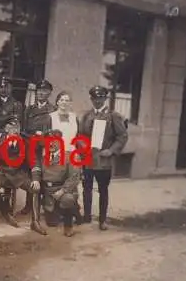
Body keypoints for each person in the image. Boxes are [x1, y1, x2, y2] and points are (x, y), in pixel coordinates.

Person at [78, 86, 128, 231]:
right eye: (94, 98)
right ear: (91, 99)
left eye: (100, 98)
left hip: (103, 160)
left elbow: (122, 136)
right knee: (86, 188)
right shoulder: (87, 115)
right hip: (88, 159)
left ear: (105, 98)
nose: (97, 101)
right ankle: (87, 216)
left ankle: (102, 220)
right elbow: (80, 135)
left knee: (103, 190)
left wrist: (111, 150)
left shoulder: (113, 116)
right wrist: (82, 146)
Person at [0, 116, 43, 231]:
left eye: (17, 127)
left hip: (17, 174)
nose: (15, 130)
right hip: (1, 172)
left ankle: (35, 222)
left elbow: (33, 160)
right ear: (6, 129)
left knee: (35, 188)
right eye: (12, 127)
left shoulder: (25, 141)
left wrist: (36, 179)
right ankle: (6, 213)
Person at [21, 79, 56, 218]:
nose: (41, 93)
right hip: (30, 146)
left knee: (44, 175)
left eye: (44, 91)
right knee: (30, 176)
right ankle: (29, 205)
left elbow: (53, 132)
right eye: (39, 91)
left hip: (44, 148)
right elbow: (23, 129)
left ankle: (43, 206)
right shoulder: (29, 109)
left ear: (49, 93)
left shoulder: (53, 110)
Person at [40, 129, 83, 237]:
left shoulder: (70, 157)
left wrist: (63, 191)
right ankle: (67, 209)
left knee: (67, 199)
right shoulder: (44, 158)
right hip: (49, 192)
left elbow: (74, 178)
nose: (51, 144)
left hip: (63, 190)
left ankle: (68, 226)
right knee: (51, 223)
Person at [50, 91, 83, 224]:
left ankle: (75, 211)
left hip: (72, 153)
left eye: (67, 100)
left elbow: (78, 137)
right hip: (57, 154)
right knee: (59, 181)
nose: (64, 102)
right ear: (57, 102)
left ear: (70, 103)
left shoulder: (74, 117)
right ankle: (60, 211)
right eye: (62, 100)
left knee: (72, 184)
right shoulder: (50, 117)